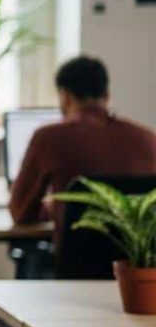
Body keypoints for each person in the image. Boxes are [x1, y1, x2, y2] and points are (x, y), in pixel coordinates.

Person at [9, 55, 156, 250]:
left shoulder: (49, 138)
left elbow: (21, 213)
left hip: (74, 270)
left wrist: (58, 208)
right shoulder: (147, 139)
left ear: (65, 96)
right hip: (135, 272)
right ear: (107, 95)